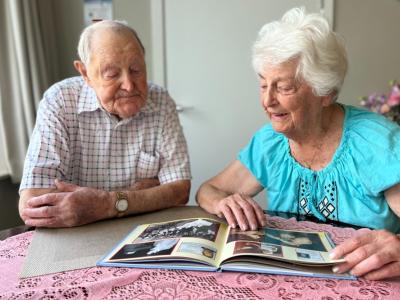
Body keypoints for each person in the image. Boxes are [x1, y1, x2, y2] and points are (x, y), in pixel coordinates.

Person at [196, 8, 400, 280]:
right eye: (263, 85)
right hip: (290, 280)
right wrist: (224, 202)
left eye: (284, 87)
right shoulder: (271, 142)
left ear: (324, 92)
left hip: (367, 279)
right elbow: (209, 190)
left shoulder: (375, 142)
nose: (268, 101)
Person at [19, 20, 191, 228]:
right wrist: (141, 195)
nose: (129, 85)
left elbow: (179, 191)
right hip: (74, 236)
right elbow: (33, 204)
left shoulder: (160, 101)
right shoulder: (61, 101)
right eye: (112, 74)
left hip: (140, 231)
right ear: (85, 73)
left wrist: (105, 204)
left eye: (136, 69)